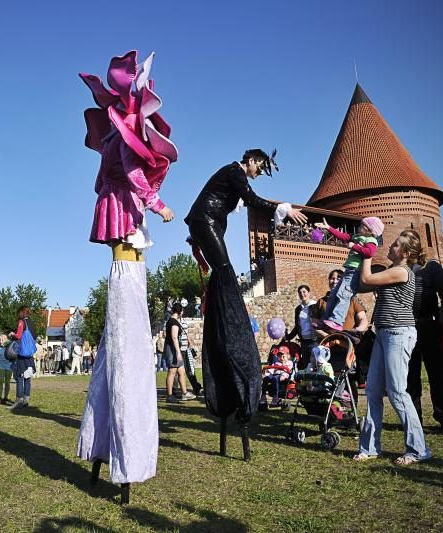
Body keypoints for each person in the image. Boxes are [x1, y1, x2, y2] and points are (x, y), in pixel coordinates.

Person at [77, 49, 177, 500]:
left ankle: (113, 452)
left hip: (122, 214)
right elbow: (136, 179)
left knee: (130, 288)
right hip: (123, 212)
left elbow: (111, 179)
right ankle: (122, 452)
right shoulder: (122, 143)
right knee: (126, 301)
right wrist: (159, 206)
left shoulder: (113, 143)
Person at [185, 148, 306, 439]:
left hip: (208, 222)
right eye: (259, 168)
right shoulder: (235, 172)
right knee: (225, 270)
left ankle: (224, 305)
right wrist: (285, 208)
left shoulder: (233, 177)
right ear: (251, 160)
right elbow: (252, 200)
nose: (258, 173)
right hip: (206, 221)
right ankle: (227, 313)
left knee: (224, 270)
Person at [353, 231, 432, 465]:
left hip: (399, 334)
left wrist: (367, 251)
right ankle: (369, 447)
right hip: (383, 334)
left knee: (397, 392)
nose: (390, 246)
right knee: (373, 391)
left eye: (396, 245)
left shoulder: (401, 271)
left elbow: (367, 280)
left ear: (405, 253)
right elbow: (361, 284)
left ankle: (418, 449)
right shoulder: (391, 270)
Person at [399, 229, 443, 434]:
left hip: (430, 325)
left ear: (416, 243)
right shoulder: (400, 268)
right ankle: (414, 418)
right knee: (410, 375)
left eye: (409, 240)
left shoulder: (431, 267)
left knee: (437, 374)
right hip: (408, 327)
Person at [314, 216, 385, 331]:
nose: (359, 227)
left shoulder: (370, 240)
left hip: (355, 272)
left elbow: (370, 252)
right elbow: (344, 237)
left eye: (362, 226)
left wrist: (354, 246)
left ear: (369, 230)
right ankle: (326, 320)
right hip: (348, 271)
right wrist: (328, 228)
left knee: (344, 295)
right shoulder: (357, 237)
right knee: (333, 295)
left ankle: (337, 321)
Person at [165, 303, 196, 402]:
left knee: (182, 371)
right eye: (182, 310)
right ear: (180, 311)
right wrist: (178, 352)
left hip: (174, 348)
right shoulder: (173, 322)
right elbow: (174, 338)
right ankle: (169, 396)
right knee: (172, 372)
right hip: (172, 349)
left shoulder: (173, 321)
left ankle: (184, 393)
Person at [285, 285, 318, 370]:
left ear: (309, 293)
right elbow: (297, 327)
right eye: (300, 293)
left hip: (314, 340)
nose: (302, 294)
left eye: (304, 292)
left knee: (316, 364)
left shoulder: (315, 305)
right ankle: (307, 383)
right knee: (306, 365)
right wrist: (288, 337)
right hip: (304, 342)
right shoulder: (298, 309)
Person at [10, 306, 37, 409]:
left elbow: (18, 336)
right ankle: (26, 400)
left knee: (20, 376)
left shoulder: (21, 322)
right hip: (29, 355)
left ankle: (19, 400)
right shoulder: (32, 323)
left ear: (21, 313)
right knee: (27, 377)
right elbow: (34, 336)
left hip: (22, 354)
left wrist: (12, 334)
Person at [0, 334, 13, 405]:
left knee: (7, 382)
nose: (1, 341)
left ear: (6, 340)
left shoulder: (10, 346)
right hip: (1, 367)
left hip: (9, 367)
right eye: (0, 340)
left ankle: (6, 397)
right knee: (0, 382)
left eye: (3, 340)